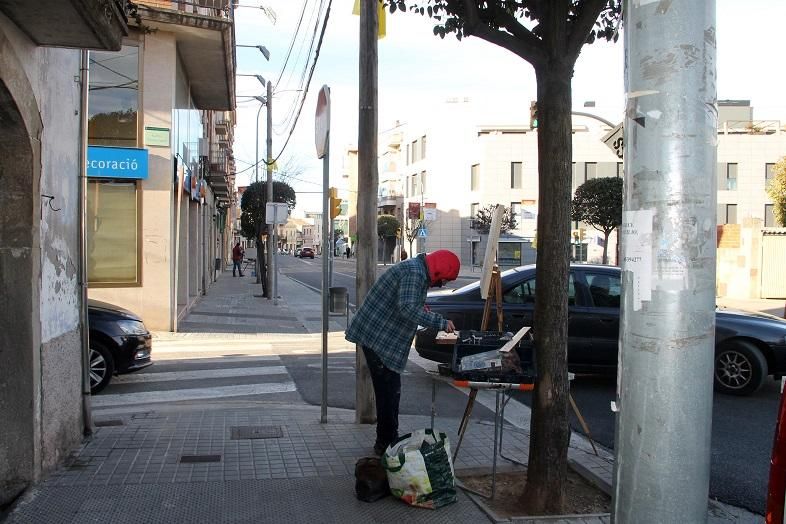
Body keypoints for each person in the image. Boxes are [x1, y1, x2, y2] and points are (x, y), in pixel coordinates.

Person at [345, 249, 460, 455]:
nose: (441, 285)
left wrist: (426, 312)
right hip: (377, 337)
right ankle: (385, 444)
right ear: (437, 271)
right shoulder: (415, 273)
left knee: (390, 391)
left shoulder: (416, 270)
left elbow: (411, 303)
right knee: (388, 393)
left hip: (379, 336)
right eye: (443, 280)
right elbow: (407, 308)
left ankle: (389, 440)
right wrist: (439, 323)